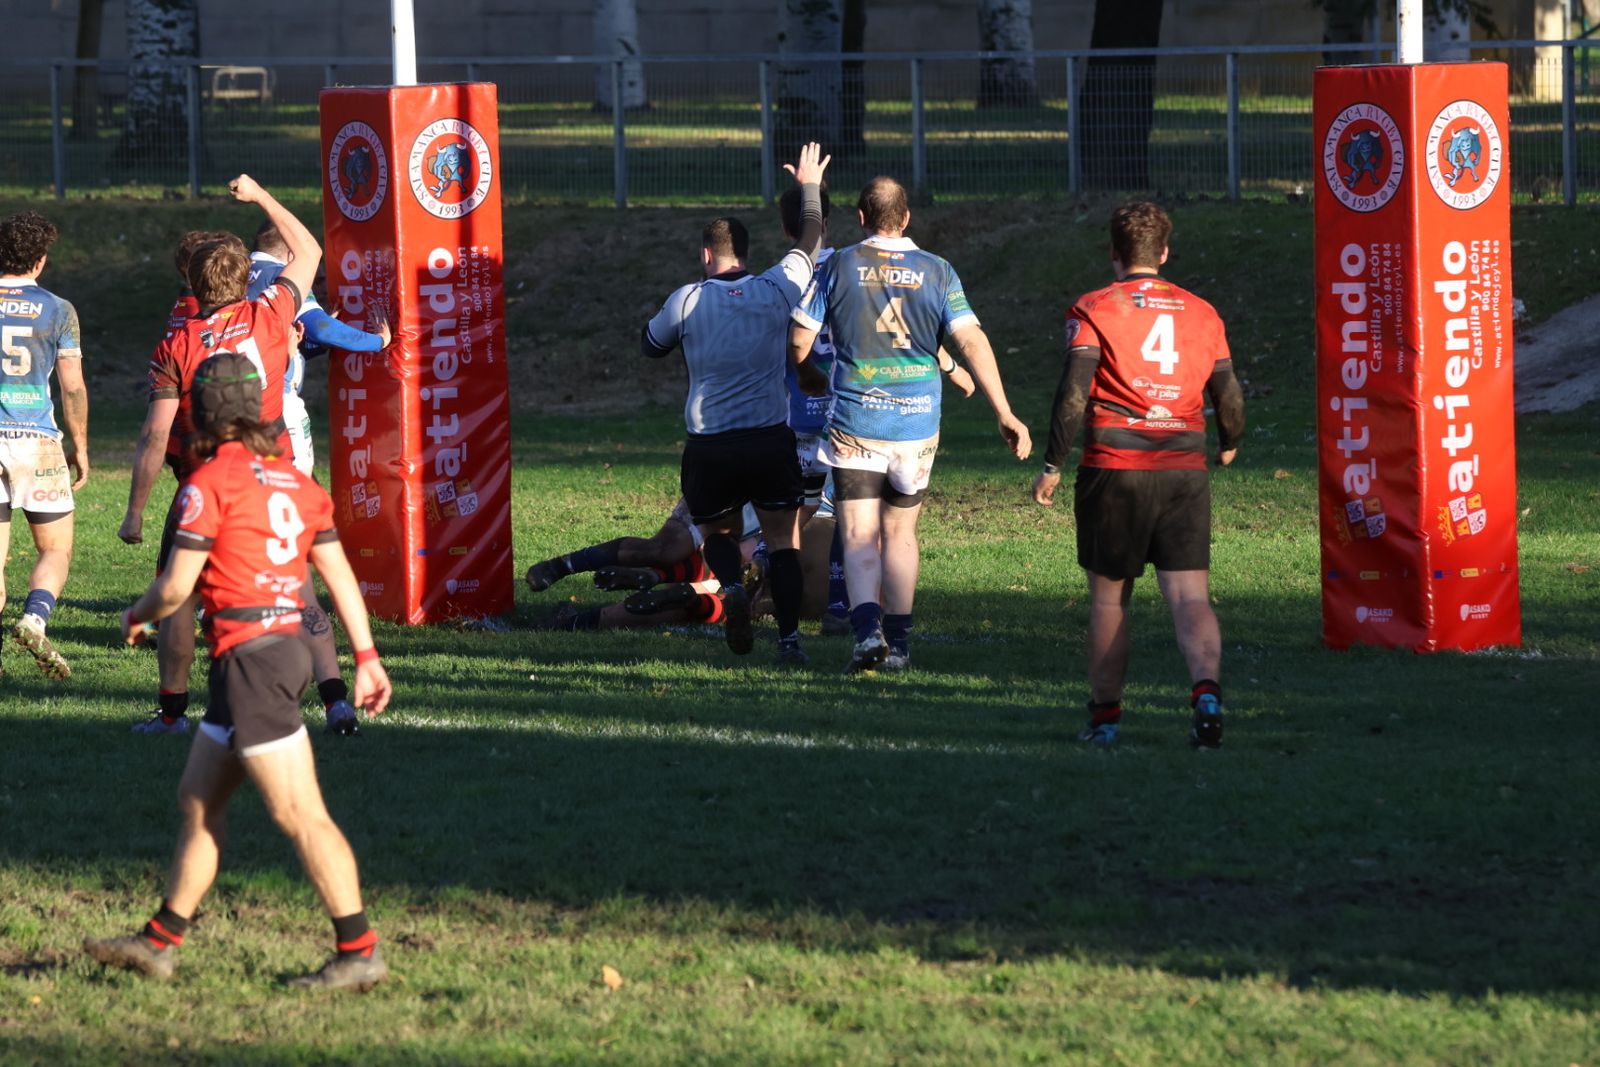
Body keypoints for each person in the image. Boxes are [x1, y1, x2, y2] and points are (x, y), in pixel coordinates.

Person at [86, 353, 393, 990]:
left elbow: (175, 588)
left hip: (254, 662)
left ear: (197, 414)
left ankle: (360, 950)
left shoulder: (207, 483)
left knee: (302, 815)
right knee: (199, 801)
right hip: (267, 656)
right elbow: (336, 578)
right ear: (258, 410)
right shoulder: (298, 485)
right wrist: (365, 658)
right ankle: (159, 941)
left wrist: (134, 616)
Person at [789, 175, 1030, 675]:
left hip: (857, 418)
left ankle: (865, 636)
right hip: (917, 424)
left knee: (857, 532)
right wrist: (1003, 410)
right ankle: (898, 646)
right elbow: (973, 340)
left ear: (860, 218)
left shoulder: (838, 265)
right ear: (906, 219)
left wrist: (809, 372)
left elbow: (798, 340)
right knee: (900, 532)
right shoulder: (938, 270)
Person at [1030, 201, 1245, 749]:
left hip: (1115, 469)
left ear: (1114, 254)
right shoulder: (1203, 312)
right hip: (1182, 469)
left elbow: (1073, 394)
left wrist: (1053, 463)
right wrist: (1229, 443)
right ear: (1164, 253)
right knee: (1191, 598)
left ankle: (1104, 721)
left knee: (1109, 601)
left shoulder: (1094, 307)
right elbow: (1228, 393)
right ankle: (1206, 694)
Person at [120, 174, 324, 735]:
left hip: (205, 487)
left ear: (190, 283)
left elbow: (155, 435)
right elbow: (308, 250)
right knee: (289, 584)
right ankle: (321, 695)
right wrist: (261, 196)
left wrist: (135, 512)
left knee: (180, 595)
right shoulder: (271, 313)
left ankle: (171, 713)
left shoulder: (176, 344)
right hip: (272, 479)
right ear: (246, 277)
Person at [641, 141, 830, 665]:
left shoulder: (688, 299)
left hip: (711, 445)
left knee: (715, 534)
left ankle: (731, 585)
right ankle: (789, 641)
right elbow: (811, 238)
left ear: (707, 255)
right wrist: (808, 186)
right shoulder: (776, 287)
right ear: (745, 253)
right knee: (782, 542)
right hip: (770, 440)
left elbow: (651, 345)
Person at [247, 220, 392, 736]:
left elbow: (292, 340)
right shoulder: (283, 279)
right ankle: (331, 689)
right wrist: (375, 341)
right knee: (298, 543)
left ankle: (175, 615)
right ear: (289, 249)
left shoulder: (228, 278)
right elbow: (325, 332)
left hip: (223, 419)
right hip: (278, 417)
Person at [0, 211, 88, 680]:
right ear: (40, 260)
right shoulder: (58, 309)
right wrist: (80, 444)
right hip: (36, 440)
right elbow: (71, 387)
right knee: (55, 547)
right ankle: (34, 618)